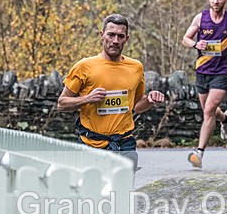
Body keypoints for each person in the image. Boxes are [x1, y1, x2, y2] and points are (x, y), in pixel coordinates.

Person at [57, 13, 165, 170]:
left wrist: (149, 100)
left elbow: (137, 106)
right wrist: (87, 99)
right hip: (92, 143)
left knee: (121, 191)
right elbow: (61, 103)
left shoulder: (136, 67)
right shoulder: (84, 66)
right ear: (102, 35)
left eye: (120, 36)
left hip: (125, 142)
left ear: (126, 39)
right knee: (94, 193)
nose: (115, 41)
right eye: (111, 35)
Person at [182, 0, 227, 168]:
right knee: (208, 111)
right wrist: (196, 45)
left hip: (223, 70)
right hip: (203, 70)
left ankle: (199, 153)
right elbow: (185, 39)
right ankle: (226, 120)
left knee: (209, 110)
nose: (216, 1)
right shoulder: (200, 18)